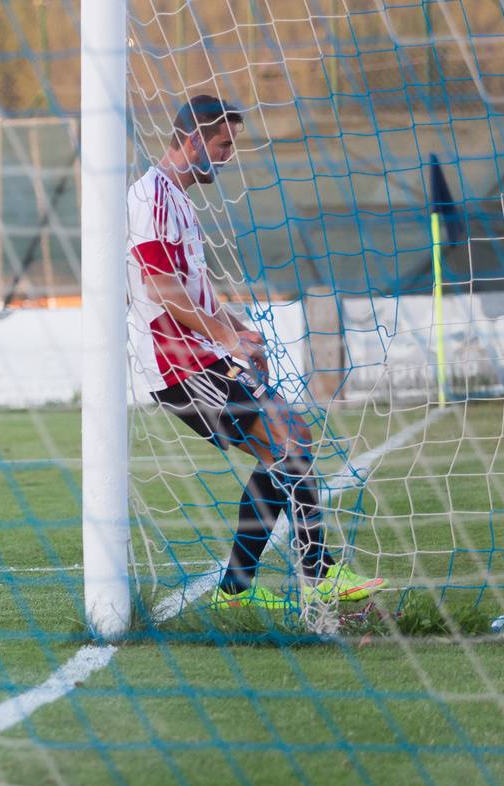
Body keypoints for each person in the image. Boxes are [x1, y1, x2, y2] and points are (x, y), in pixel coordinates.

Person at [127, 95, 384, 610]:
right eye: (223, 144)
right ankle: (319, 571)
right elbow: (160, 287)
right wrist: (225, 340)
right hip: (178, 365)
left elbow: (194, 289)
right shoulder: (149, 197)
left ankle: (237, 590)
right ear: (195, 139)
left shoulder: (179, 200)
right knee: (285, 438)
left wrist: (240, 331)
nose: (227, 156)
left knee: (291, 440)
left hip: (207, 355)